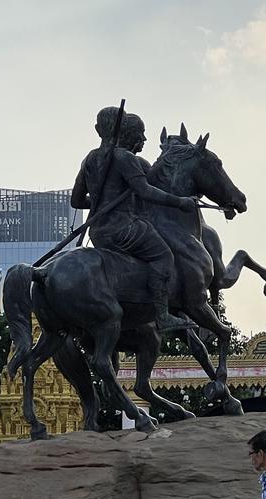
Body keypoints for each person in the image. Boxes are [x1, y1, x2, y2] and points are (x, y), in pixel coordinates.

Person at [71, 106, 198, 332]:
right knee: (164, 256)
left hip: (98, 233)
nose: (144, 139)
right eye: (140, 134)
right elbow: (145, 191)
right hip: (125, 229)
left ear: (99, 129)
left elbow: (76, 200)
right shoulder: (124, 157)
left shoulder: (90, 159)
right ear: (123, 130)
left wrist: (102, 201)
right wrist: (180, 202)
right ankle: (163, 316)